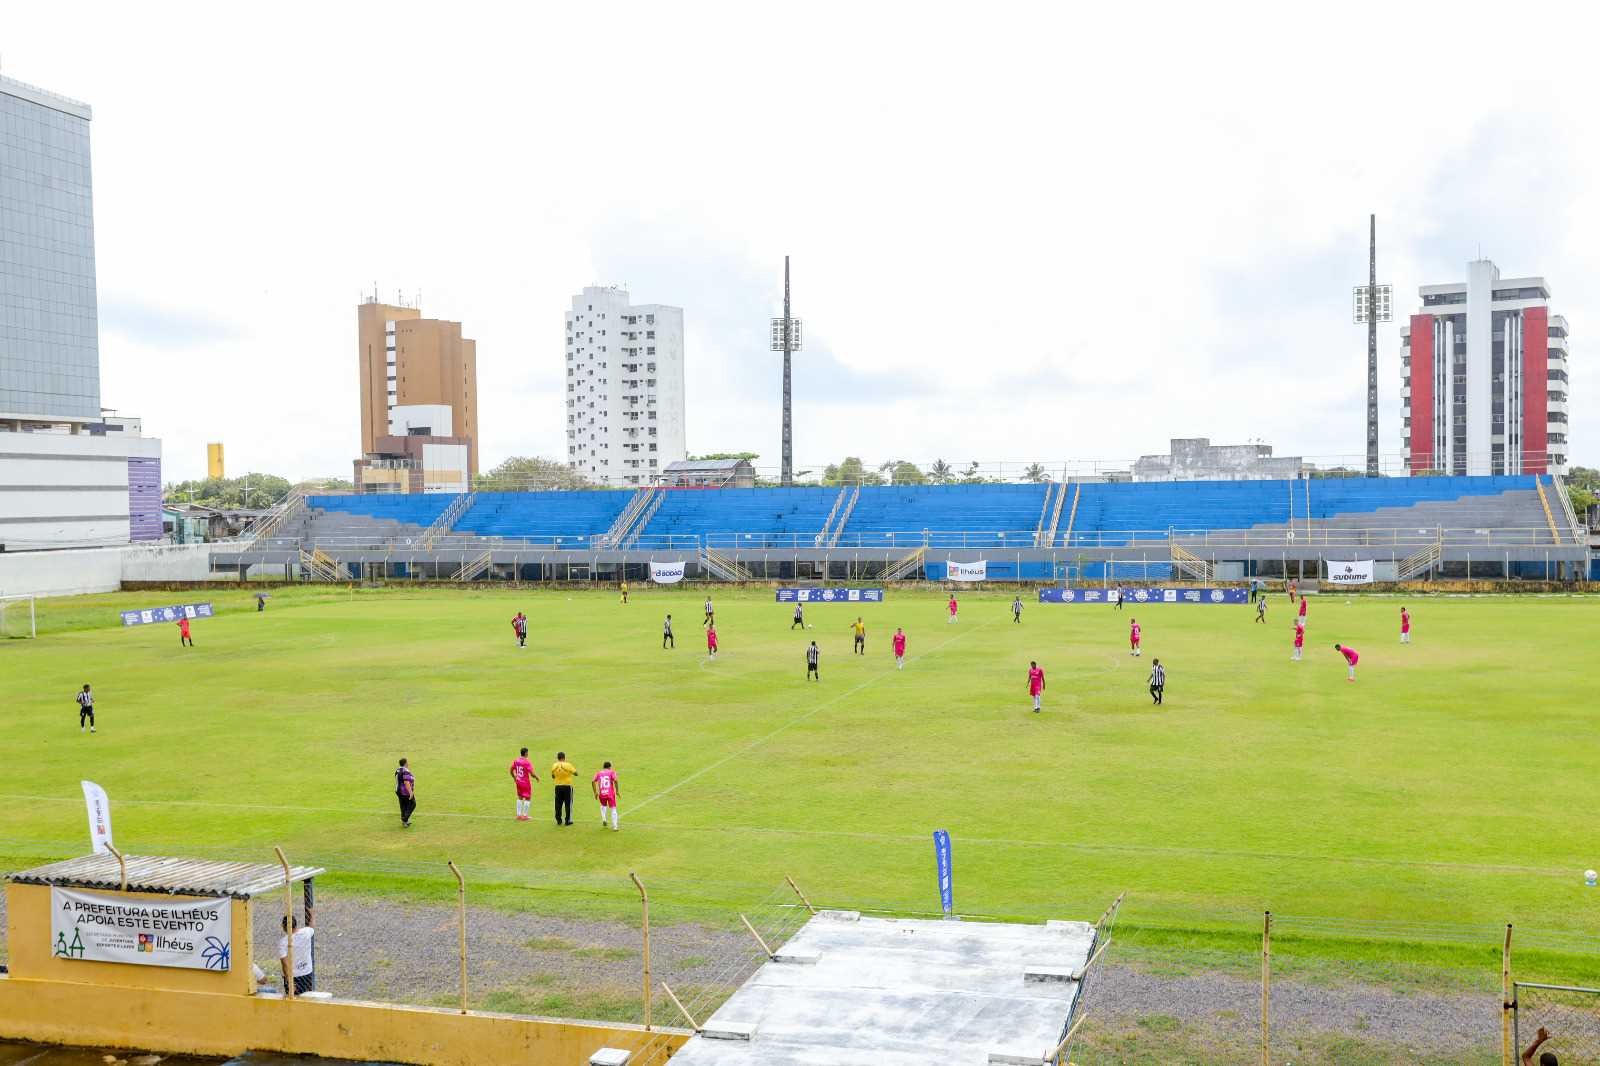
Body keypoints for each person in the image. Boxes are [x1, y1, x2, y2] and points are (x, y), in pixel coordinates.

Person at [278, 915, 315, 996]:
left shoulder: (283, 942)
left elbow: (285, 965)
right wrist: (312, 914)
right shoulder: (306, 932)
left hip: (294, 976)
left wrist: (289, 981)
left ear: (284, 927)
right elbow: (311, 926)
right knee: (308, 997)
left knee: (293, 999)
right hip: (307, 972)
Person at [509, 747, 539, 821]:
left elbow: (511, 769)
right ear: (525, 753)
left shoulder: (516, 761)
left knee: (520, 797)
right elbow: (531, 773)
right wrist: (536, 777)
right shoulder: (526, 762)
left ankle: (519, 815)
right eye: (527, 752)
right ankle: (525, 816)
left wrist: (514, 777)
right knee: (528, 798)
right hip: (525, 782)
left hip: (518, 781)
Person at [592, 761, 620, 831]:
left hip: (602, 793)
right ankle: (615, 826)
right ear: (610, 767)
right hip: (610, 794)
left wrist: (595, 792)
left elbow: (593, 781)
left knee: (603, 806)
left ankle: (604, 819)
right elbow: (616, 780)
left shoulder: (598, 773)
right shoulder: (612, 772)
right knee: (613, 809)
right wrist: (617, 791)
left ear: (603, 767)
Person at [551, 752, 577, 826]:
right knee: (568, 804)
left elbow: (553, 776)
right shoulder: (568, 765)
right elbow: (576, 773)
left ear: (558, 757)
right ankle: (567, 820)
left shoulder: (554, 765)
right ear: (564, 757)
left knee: (558, 804)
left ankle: (558, 820)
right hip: (567, 786)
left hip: (558, 786)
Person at [395, 758, 416, 828]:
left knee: (403, 806)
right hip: (405, 792)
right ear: (405, 763)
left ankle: (405, 822)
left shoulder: (397, 770)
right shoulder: (405, 771)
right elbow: (406, 782)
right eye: (407, 762)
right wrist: (410, 793)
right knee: (413, 804)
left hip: (398, 791)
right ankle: (404, 819)